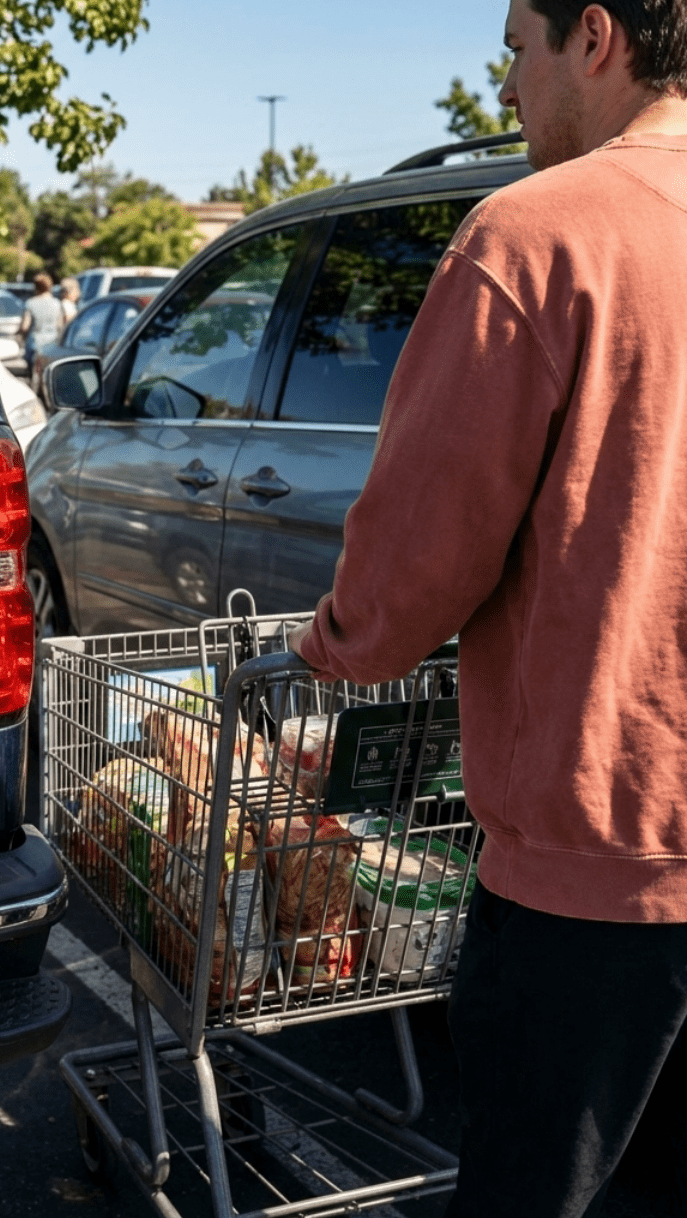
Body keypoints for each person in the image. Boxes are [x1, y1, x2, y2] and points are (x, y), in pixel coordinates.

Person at [287, 2, 687, 1214]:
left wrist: (331, 649)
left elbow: (412, 571)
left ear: (595, 37)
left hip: (596, 883)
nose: (507, 80)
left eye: (518, 44)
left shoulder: (535, 236)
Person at [19, 272, 65, 386]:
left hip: (34, 343)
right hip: (51, 343)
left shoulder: (31, 303)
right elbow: (60, 326)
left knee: (32, 375)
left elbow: (25, 326)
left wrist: (21, 336)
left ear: (36, 287)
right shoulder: (57, 303)